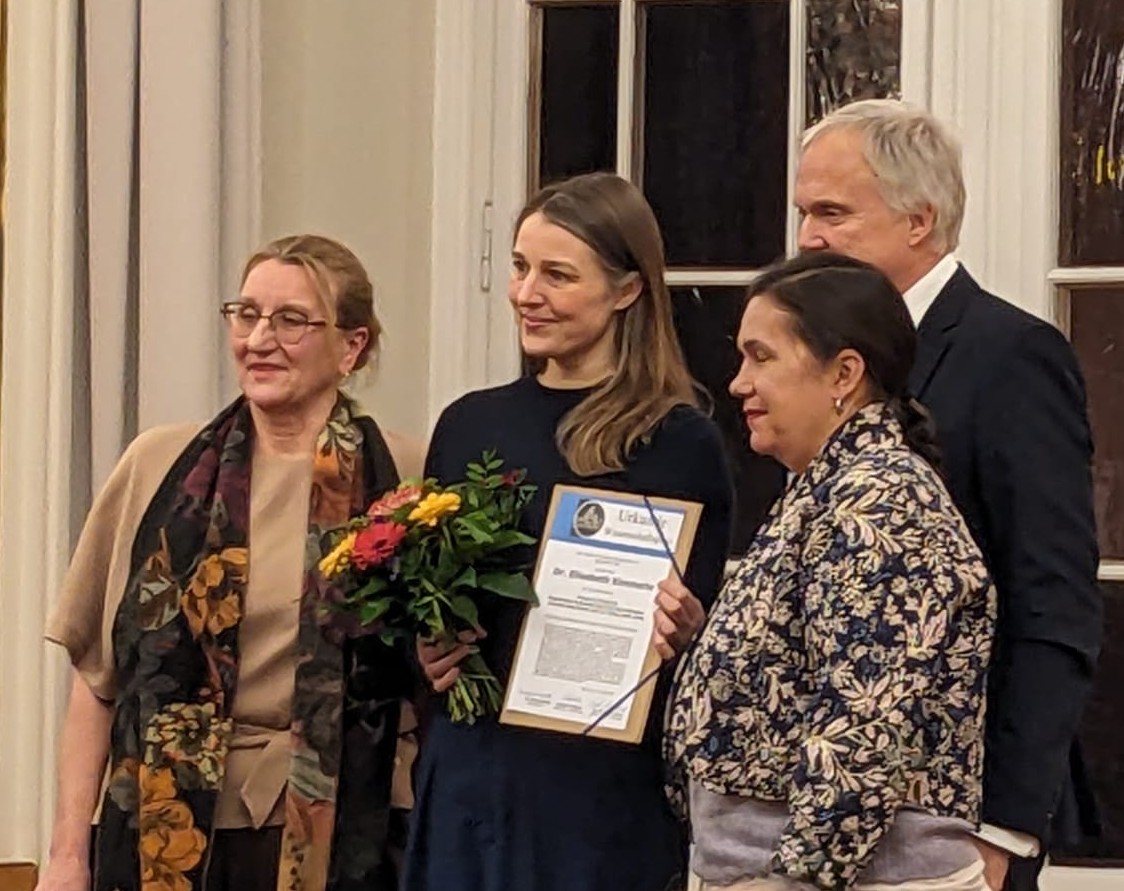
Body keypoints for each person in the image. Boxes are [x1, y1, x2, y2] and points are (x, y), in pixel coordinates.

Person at [36, 234, 423, 891]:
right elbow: (96, 682)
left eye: (291, 320)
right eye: (246, 314)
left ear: (351, 346)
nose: (260, 338)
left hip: (345, 828)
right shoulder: (158, 467)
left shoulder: (407, 480)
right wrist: (68, 853)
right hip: (167, 825)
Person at [794, 99, 1102, 891]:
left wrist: (1003, 830)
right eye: (802, 213)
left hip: (958, 826)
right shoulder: (821, 364)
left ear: (919, 221)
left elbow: (1053, 601)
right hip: (832, 808)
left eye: (831, 213)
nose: (806, 239)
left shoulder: (1012, 356)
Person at [402, 172, 734, 891]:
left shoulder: (677, 439)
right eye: (520, 268)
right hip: (473, 774)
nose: (527, 293)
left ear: (626, 289)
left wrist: (688, 630)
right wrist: (427, 647)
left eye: (558, 274)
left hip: (600, 794)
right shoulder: (468, 423)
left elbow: (702, 643)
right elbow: (428, 603)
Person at [666, 251, 997, 891]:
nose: (738, 382)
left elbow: (868, 724)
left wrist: (796, 881)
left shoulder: (882, 498)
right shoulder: (827, 486)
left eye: (761, 357)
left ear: (844, 372)